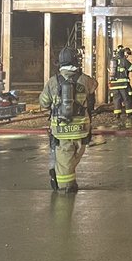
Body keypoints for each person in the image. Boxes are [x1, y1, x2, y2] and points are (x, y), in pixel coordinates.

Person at [38, 46, 93, 193]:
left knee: (64, 160)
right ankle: (68, 180)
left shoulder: (52, 82)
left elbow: (43, 103)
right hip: (81, 130)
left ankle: (65, 186)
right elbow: (94, 86)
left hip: (61, 130)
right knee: (74, 155)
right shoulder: (85, 80)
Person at [108, 45, 132, 127]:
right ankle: (129, 113)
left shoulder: (112, 61)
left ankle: (117, 114)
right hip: (123, 84)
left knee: (116, 99)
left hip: (114, 84)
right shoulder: (124, 61)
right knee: (126, 98)